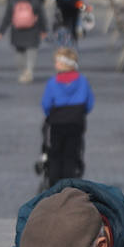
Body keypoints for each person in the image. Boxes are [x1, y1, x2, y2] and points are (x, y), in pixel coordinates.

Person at [40, 48, 95, 185]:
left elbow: (46, 104)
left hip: (57, 122)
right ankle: (69, 184)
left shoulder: (53, 83)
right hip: (76, 121)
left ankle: (54, 184)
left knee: (55, 154)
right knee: (72, 154)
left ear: (62, 64)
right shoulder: (82, 81)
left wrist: (50, 114)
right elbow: (90, 103)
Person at [0, 0, 48, 84]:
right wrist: (43, 30)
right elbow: (41, 16)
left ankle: (23, 71)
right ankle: (29, 70)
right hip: (32, 29)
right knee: (32, 51)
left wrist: (1, 31)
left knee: (19, 52)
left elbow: (7, 17)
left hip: (17, 30)